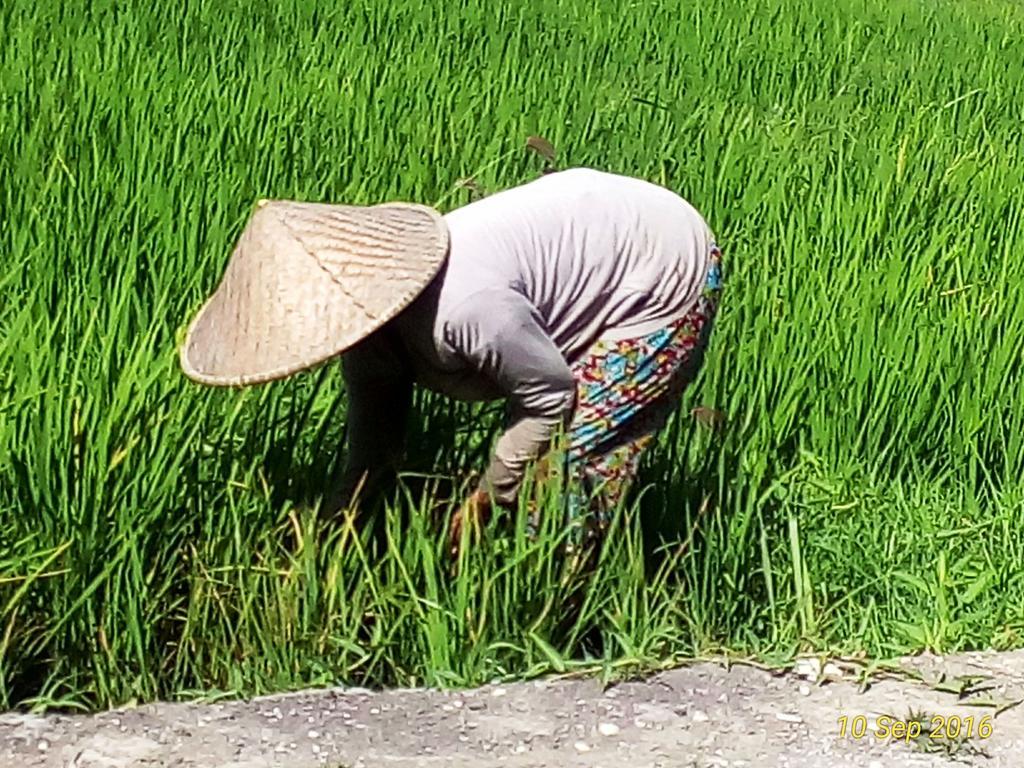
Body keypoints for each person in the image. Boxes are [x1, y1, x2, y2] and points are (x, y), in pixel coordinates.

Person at [179, 168, 723, 559]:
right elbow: (377, 443)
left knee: (566, 469)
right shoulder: (368, 331)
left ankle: (559, 622)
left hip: (658, 263)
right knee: (536, 474)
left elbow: (551, 395)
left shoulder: (466, 309)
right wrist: (336, 527)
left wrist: (487, 497)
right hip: (589, 239)